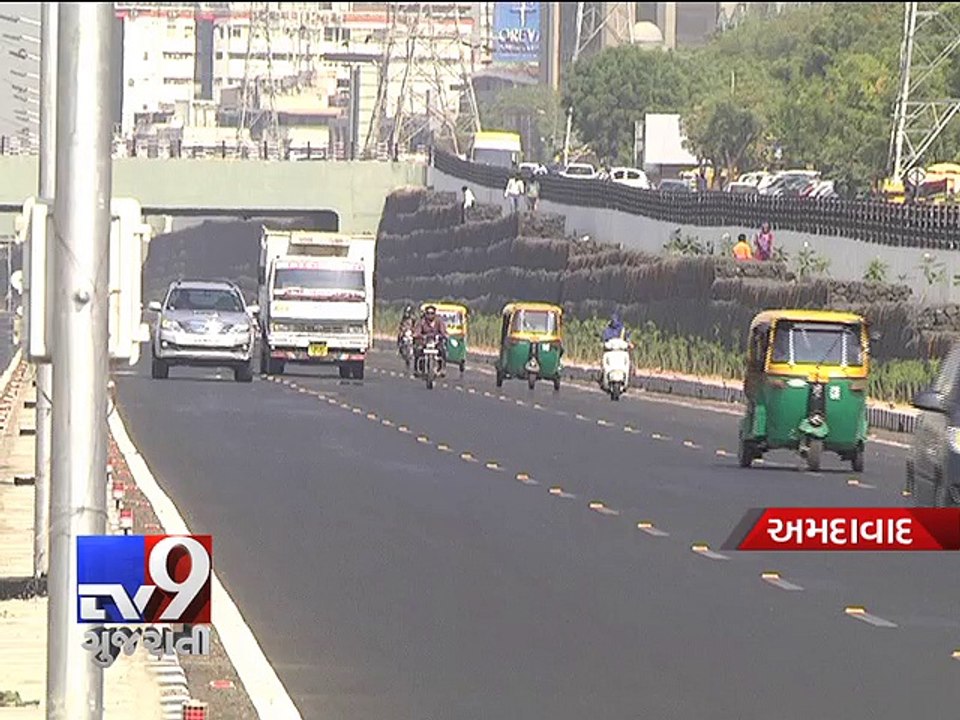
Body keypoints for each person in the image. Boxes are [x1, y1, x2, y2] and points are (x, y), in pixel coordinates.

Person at [413, 304, 449, 370]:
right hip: (425, 341)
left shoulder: (439, 321)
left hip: (436, 341)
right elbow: (417, 331)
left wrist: (444, 335)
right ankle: (417, 367)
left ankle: (442, 367)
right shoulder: (422, 321)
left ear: (435, 314)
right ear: (425, 314)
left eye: (432, 313)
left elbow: (443, 331)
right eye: (428, 313)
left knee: (443, 350)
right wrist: (418, 335)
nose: (430, 315)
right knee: (418, 349)